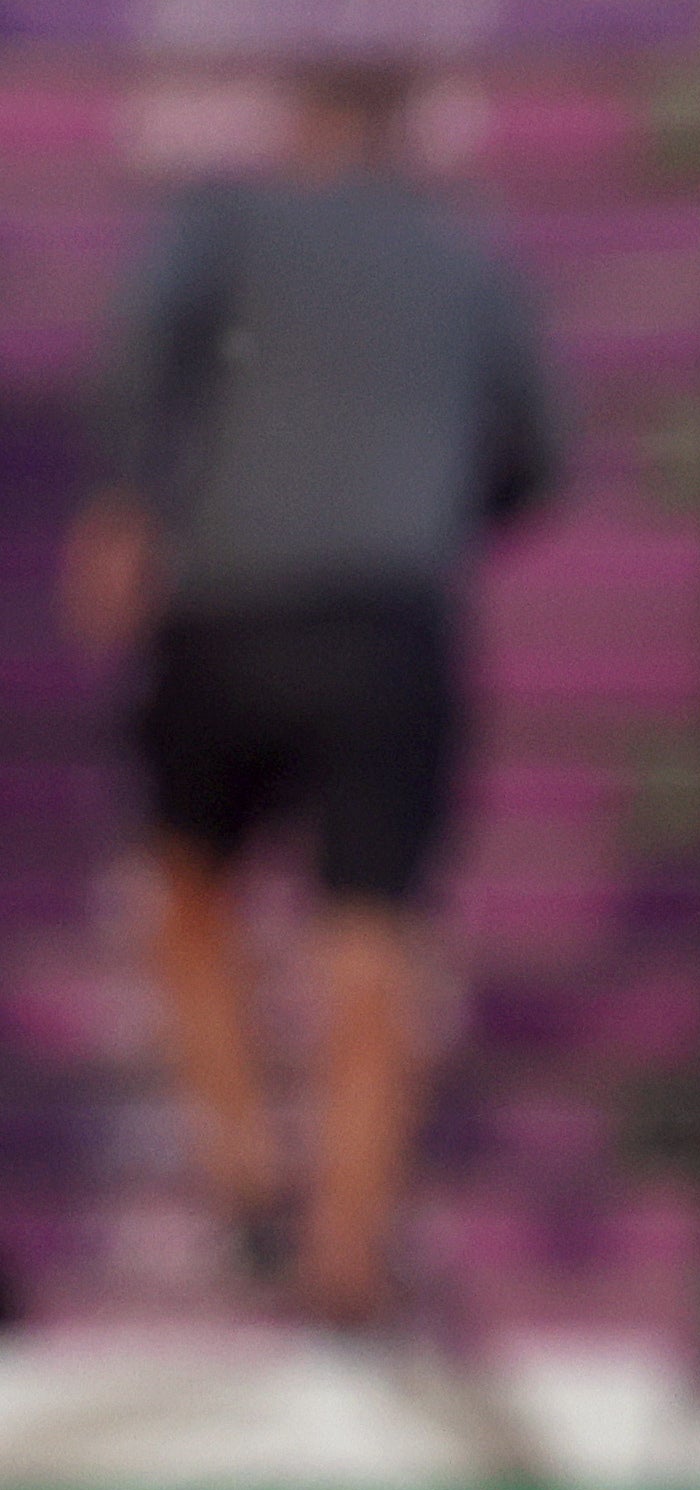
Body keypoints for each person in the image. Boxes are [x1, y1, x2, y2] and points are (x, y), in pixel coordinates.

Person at [69, 67, 559, 1322]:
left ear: (301, 132)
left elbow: (138, 343)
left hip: (233, 612)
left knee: (186, 892)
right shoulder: (469, 260)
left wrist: (132, 498)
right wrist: (433, 509)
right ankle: (347, 1241)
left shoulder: (230, 221)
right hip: (391, 627)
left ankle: (244, 1174)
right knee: (372, 949)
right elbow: (536, 452)